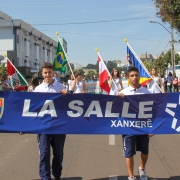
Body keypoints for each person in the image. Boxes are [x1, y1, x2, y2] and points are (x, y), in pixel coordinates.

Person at [34, 62, 67, 180]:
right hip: (43, 127)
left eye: (50, 72)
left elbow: (68, 105)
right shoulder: (37, 89)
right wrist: (24, 126)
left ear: (53, 73)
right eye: (45, 73)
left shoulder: (61, 87)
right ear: (42, 74)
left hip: (58, 126)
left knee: (58, 153)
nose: (48, 75)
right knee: (44, 153)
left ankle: (57, 174)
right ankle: (45, 177)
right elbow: (32, 109)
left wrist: (66, 95)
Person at [118, 66, 153, 180]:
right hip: (128, 127)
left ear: (139, 76)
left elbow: (153, 111)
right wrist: (118, 100)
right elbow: (114, 109)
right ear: (128, 78)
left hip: (143, 127)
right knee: (129, 153)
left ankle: (142, 169)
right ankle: (131, 176)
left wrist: (152, 128)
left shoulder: (146, 92)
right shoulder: (123, 93)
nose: (134, 77)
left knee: (145, 151)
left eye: (136, 75)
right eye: (132, 76)